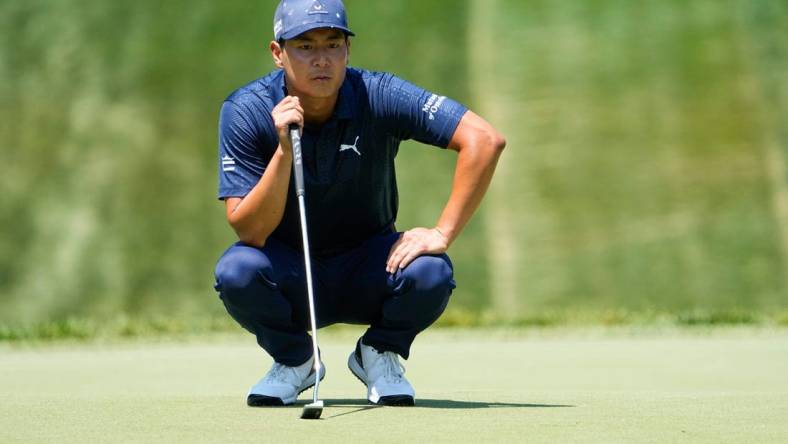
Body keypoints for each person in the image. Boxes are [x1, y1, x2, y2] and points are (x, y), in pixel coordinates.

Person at [213, 0, 505, 407]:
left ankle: (379, 353)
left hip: (369, 265)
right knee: (237, 271)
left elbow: (484, 140)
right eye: (305, 46)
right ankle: (296, 360)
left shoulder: (377, 93)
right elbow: (249, 230)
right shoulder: (247, 110)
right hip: (292, 270)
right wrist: (283, 151)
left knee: (430, 272)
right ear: (278, 54)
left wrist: (442, 232)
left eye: (333, 45)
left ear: (348, 51)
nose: (322, 60)